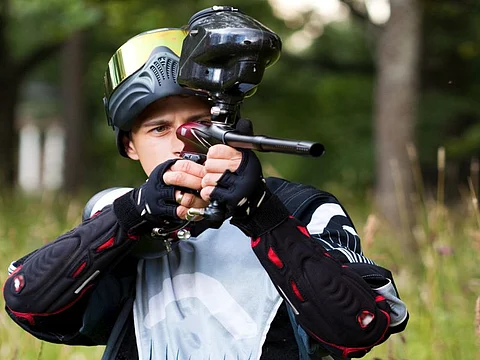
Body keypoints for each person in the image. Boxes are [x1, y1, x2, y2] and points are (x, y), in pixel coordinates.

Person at [3, 7, 408, 360]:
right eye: (159, 129)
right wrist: (133, 214)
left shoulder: (304, 207)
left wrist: (262, 215)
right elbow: (26, 301)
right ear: (129, 145)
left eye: (199, 125)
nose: (183, 141)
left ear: (229, 126)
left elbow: (361, 328)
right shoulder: (115, 208)